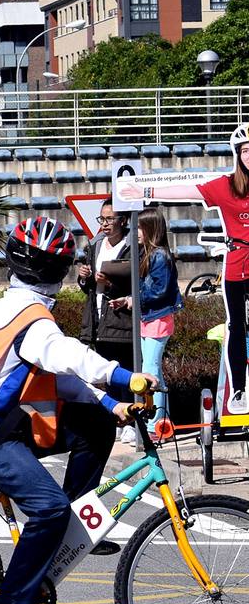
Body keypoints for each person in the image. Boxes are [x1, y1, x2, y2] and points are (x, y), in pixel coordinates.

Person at [0, 217, 156, 604]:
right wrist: (124, 376)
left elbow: (59, 377)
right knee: (48, 509)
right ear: (56, 271)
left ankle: (67, 527)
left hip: (2, 426)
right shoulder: (32, 321)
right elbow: (69, 356)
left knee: (96, 427)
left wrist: (109, 404)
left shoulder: (11, 307)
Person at [120, 122, 249, 411]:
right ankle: (239, 389)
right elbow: (188, 189)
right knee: (237, 327)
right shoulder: (227, 185)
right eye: (245, 151)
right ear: (237, 154)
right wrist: (147, 189)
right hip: (238, 264)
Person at [106, 207, 183, 439]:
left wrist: (133, 300)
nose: (135, 232)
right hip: (149, 318)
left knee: (150, 370)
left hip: (157, 319)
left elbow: (157, 291)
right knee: (153, 369)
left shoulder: (159, 256)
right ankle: (161, 419)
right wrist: (129, 300)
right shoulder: (146, 254)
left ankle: (155, 423)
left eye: (140, 227)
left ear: (151, 229)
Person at [72, 199, 134, 369]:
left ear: (122, 220)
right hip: (97, 321)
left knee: (126, 379)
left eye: (109, 219)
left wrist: (109, 285)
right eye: (101, 219)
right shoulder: (95, 244)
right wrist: (85, 277)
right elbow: (89, 288)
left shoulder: (132, 246)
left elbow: (136, 285)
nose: (105, 224)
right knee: (107, 378)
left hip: (121, 322)